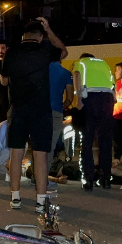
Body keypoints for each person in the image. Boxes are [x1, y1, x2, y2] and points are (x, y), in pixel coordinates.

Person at [1, 18, 68, 212]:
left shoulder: (11, 52)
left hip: (18, 110)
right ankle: (40, 201)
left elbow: (4, 81)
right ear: (40, 36)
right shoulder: (45, 50)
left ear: (24, 36)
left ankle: (15, 198)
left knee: (16, 153)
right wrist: (49, 29)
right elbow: (63, 51)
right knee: (40, 155)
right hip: (40, 110)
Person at [72, 53, 115, 190]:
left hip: (90, 99)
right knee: (105, 141)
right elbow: (112, 84)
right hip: (107, 100)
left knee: (87, 141)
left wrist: (78, 99)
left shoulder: (81, 62)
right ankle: (106, 178)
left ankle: (88, 179)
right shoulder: (104, 63)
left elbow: (77, 76)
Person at [46, 59, 74, 190]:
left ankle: (36, 174)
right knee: (50, 146)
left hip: (38, 111)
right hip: (56, 111)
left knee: (38, 145)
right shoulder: (65, 73)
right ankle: (43, 176)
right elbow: (69, 98)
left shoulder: (41, 69)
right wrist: (63, 106)